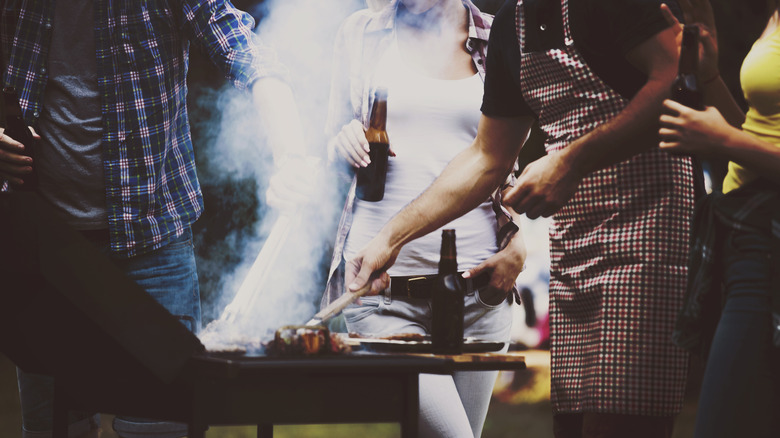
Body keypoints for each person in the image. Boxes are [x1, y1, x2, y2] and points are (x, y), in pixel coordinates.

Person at [345, 0, 698, 437]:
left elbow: (678, 77)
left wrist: (570, 162)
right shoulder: (514, 26)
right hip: (574, 247)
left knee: (620, 421)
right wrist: (389, 240)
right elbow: (486, 157)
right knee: (571, 425)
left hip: (647, 234)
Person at [0, 0, 311, 437]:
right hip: (48, 254)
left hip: (154, 248)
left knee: (163, 426)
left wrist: (292, 157)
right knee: (53, 427)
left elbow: (248, 54)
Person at [323, 0, 527, 436]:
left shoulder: (499, 35)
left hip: (481, 296)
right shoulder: (361, 34)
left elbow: (501, 161)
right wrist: (340, 140)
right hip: (383, 295)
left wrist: (517, 238)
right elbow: (329, 149)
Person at [658, 0, 780, 436]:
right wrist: (708, 76)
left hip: (767, 247)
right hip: (744, 238)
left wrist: (725, 142)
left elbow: (740, 143)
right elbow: (759, 133)